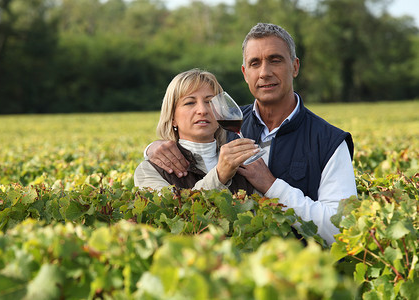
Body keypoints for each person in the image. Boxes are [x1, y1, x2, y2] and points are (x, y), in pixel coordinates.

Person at [144, 23, 357, 246]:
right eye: (255, 63)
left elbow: (340, 229)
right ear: (245, 73)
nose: (264, 73)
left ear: (294, 67)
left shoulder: (330, 142)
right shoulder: (224, 124)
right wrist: (155, 146)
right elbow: (192, 140)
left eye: (275, 60)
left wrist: (272, 186)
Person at [134, 69, 259, 194]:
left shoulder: (244, 164)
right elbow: (175, 212)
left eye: (209, 102)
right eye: (190, 103)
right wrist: (219, 176)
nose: (202, 110)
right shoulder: (149, 170)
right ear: (172, 118)